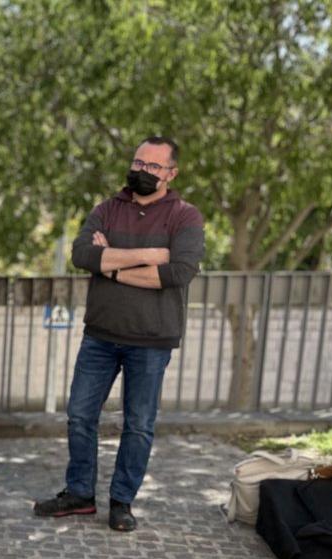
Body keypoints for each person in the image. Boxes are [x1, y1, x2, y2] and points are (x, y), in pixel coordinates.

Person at [33, 136, 204, 532]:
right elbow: (83, 255)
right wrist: (149, 256)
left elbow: (178, 272)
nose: (142, 171)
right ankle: (79, 494)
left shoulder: (184, 216)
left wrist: (110, 263)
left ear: (171, 174)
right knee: (79, 415)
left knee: (139, 424)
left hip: (153, 340)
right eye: (138, 163)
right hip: (100, 335)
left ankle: (122, 502)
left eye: (153, 167)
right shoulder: (107, 209)